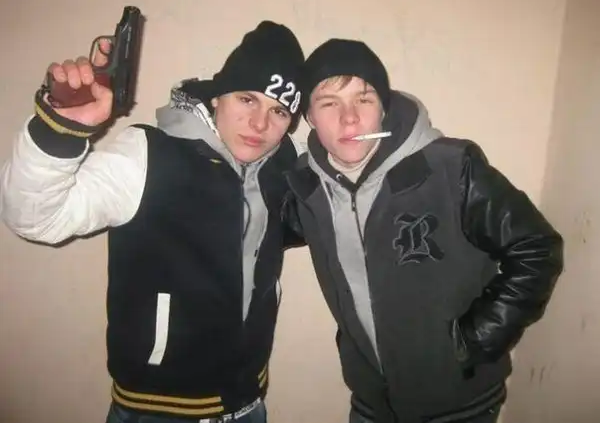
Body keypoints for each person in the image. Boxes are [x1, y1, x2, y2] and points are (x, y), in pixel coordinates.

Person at [0, 21, 306, 423]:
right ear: (218, 97)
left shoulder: (280, 171)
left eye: (279, 111)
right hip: (156, 411)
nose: (260, 124)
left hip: (249, 404)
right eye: (247, 99)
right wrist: (60, 129)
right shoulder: (148, 154)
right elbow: (36, 217)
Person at [284, 38, 564, 423]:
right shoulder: (306, 187)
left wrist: (472, 341)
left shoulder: (453, 168)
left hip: (460, 402)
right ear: (309, 117)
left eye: (364, 99)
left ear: (383, 106)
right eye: (329, 103)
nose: (349, 118)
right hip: (372, 402)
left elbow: (537, 248)